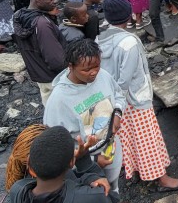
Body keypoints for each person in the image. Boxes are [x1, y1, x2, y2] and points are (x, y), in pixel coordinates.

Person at [8, 125, 173, 203]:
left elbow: (72, 181)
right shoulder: (87, 201)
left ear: (31, 168)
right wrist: (85, 161)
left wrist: (86, 176)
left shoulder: (17, 190)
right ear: (71, 163)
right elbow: (109, 198)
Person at [97, 0, 178, 192]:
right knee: (147, 138)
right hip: (134, 98)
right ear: (128, 14)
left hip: (116, 100)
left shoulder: (100, 38)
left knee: (129, 136)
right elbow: (127, 77)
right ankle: (162, 179)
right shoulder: (129, 41)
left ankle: (137, 168)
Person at [43, 39, 125, 192]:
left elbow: (119, 95)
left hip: (111, 147)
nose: (93, 72)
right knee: (96, 196)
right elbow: (55, 146)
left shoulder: (103, 76)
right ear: (71, 67)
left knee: (113, 187)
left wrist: (117, 116)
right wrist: (91, 160)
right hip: (84, 164)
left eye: (97, 66)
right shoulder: (58, 100)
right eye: (86, 70)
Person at [14, 0, 68, 105]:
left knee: (49, 106)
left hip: (39, 72)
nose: (55, 1)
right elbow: (56, 59)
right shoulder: (42, 24)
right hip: (54, 77)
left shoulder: (18, 16)